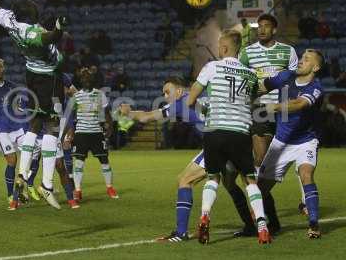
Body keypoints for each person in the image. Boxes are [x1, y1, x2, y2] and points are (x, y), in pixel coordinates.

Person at [121, 76, 257, 242]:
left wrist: (129, 113)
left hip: (217, 143)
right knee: (230, 184)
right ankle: (251, 226)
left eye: (167, 92)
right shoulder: (206, 93)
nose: (165, 96)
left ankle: (181, 232)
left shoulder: (180, 103)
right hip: (238, 140)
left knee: (184, 180)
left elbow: (146, 117)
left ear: (178, 91)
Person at [0, 0, 68, 209]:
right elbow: (51, 39)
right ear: (31, 15)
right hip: (49, 78)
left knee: (36, 124)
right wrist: (59, 28)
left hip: (31, 74)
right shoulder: (32, 31)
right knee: (52, 125)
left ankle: (23, 173)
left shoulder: (10, 19)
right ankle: (46, 184)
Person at [187, 30, 271, 244]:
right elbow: (250, 102)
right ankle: (262, 225)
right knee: (249, 180)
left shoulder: (211, 67)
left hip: (214, 131)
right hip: (240, 132)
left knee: (213, 178)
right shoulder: (251, 74)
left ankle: (205, 216)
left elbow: (190, 100)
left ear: (224, 48)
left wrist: (203, 107)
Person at [239, 14, 307, 213]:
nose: (261, 30)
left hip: (284, 111)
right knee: (260, 159)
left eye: (266, 26)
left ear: (274, 30)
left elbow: (296, 80)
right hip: (260, 110)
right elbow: (241, 79)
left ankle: (304, 200)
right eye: (259, 27)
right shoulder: (247, 53)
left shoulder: (288, 51)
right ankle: (261, 205)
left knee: (297, 155)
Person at [257, 49, 324, 238]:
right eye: (302, 57)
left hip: (306, 141)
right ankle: (272, 223)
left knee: (306, 175)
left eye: (307, 59)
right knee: (259, 189)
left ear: (316, 67)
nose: (301, 61)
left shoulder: (316, 87)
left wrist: (273, 107)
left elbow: (299, 104)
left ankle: (314, 224)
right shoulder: (286, 75)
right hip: (281, 142)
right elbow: (263, 87)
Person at [0, 58, 40, 209]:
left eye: (1, 67)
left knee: (34, 151)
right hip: (1, 130)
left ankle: (26, 183)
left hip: (17, 127)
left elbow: (20, 106)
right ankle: (11, 194)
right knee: (12, 160)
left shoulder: (12, 86)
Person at [70, 67, 118, 200]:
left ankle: (110, 188)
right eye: (84, 77)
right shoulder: (77, 96)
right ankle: (78, 190)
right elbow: (71, 116)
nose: (86, 80)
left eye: (89, 77)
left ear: (92, 79)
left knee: (104, 160)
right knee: (79, 162)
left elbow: (107, 112)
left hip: (97, 132)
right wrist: (71, 132)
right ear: (81, 80)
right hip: (81, 133)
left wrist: (110, 127)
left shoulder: (100, 94)